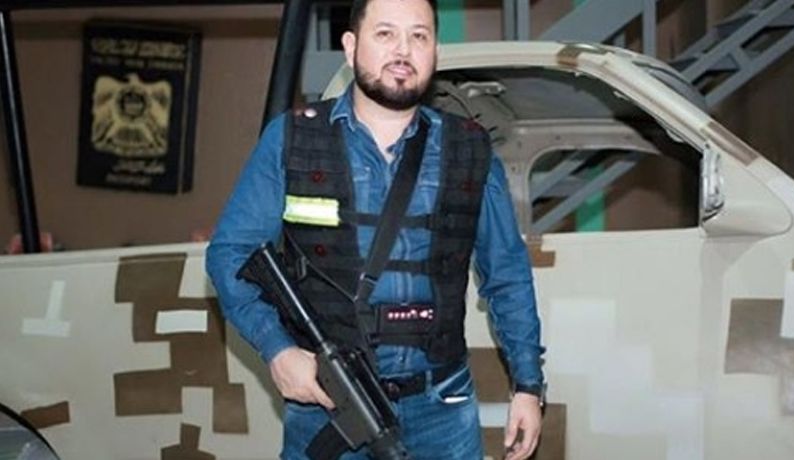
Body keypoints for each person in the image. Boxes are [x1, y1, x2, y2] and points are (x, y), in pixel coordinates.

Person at [206, 0, 545, 458]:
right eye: (385, 34)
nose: (403, 50)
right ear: (350, 47)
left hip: (441, 409)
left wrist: (528, 385)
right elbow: (230, 254)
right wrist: (277, 349)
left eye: (419, 36)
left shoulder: (469, 148)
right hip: (328, 400)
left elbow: (507, 273)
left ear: (435, 51)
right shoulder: (294, 139)